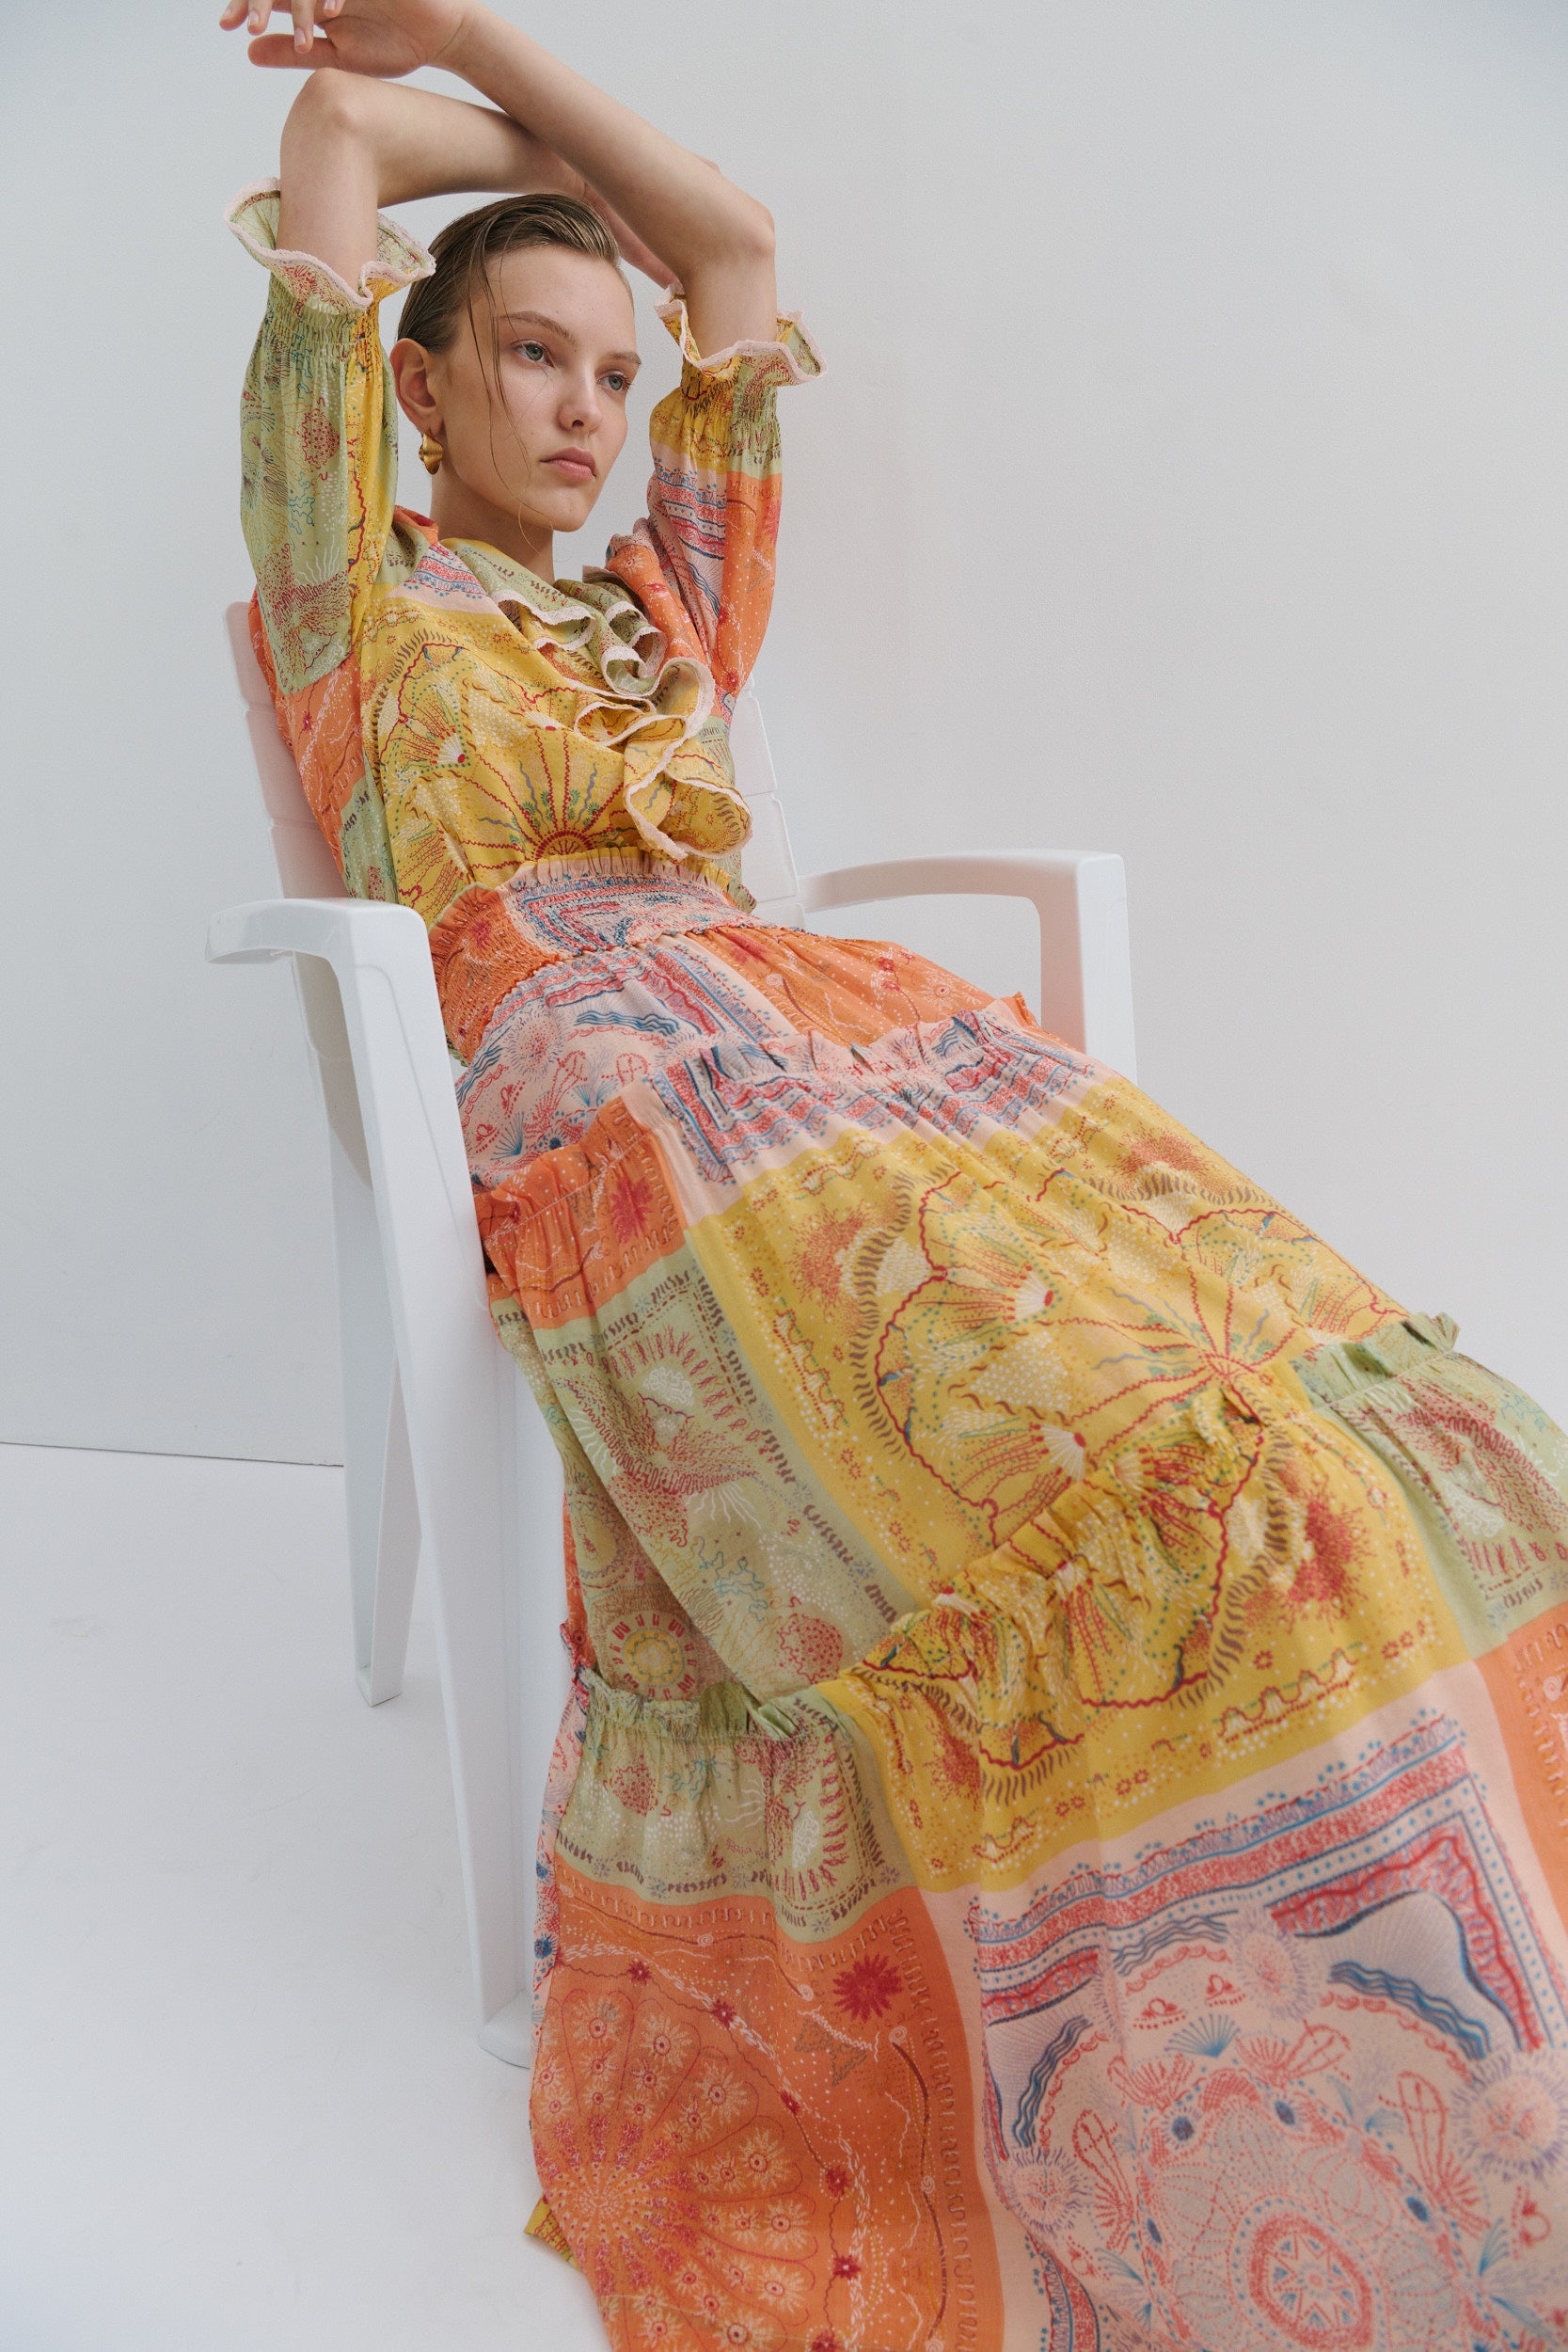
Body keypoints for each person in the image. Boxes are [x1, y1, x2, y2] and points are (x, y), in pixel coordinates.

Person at [221, 5, 1568, 2344]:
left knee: (1324, 1410)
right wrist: (425, 68)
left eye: (612, 378)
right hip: (606, 1084)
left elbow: (732, 246)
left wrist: (487, 54)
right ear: (416, 389)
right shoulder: (357, 603)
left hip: (850, 1033)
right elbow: (336, 127)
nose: (585, 409)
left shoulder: (662, 607)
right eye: (527, 356)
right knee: (1032, 1442)